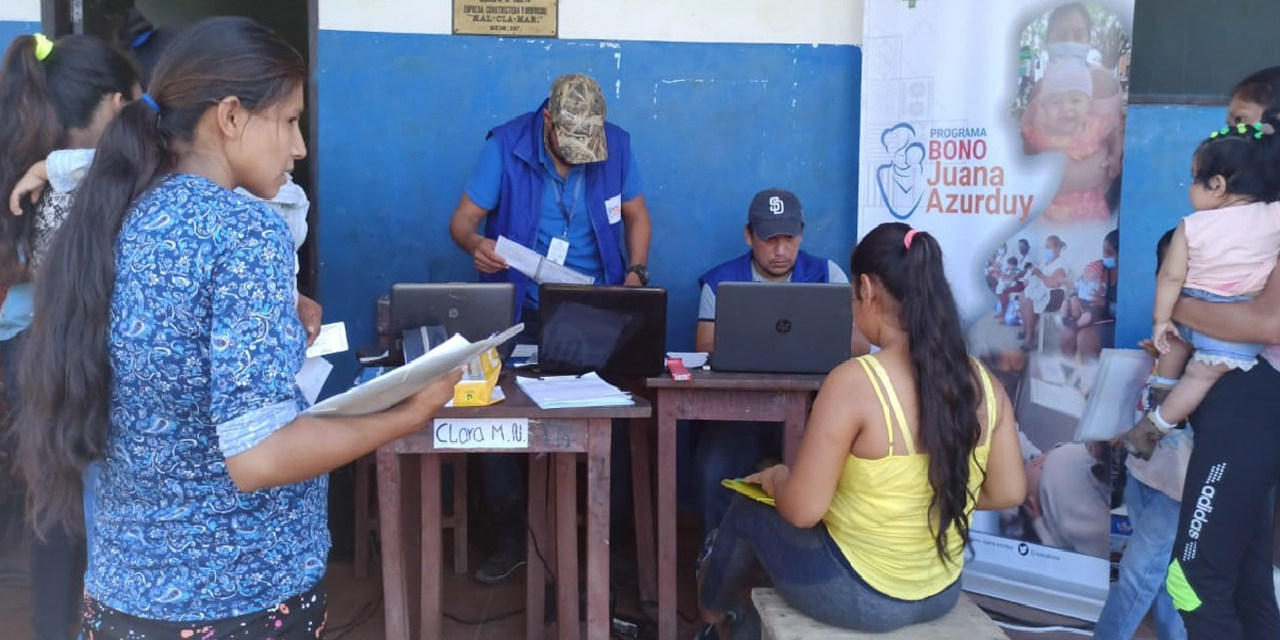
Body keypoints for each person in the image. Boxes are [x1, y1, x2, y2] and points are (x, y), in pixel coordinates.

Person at [11, 18, 461, 639]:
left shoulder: (115, 210)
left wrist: (276, 306)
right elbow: (258, 457)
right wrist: (407, 415)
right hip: (238, 601)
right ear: (229, 116)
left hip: (124, 595)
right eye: (289, 120)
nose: (299, 146)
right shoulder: (245, 229)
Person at [693, 223, 1025, 638]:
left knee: (747, 510)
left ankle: (708, 616)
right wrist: (928, 492)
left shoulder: (856, 381)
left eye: (851, 295)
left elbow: (802, 510)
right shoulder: (983, 383)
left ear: (866, 288)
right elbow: (1010, 491)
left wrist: (778, 478)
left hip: (860, 596)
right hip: (941, 589)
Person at [448, 73, 652, 584]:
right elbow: (463, 221)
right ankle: (509, 539)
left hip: (593, 301)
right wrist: (475, 245)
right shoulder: (505, 146)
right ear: (548, 123)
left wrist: (636, 273)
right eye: (571, 143)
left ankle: (613, 541)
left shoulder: (617, 146)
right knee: (494, 408)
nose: (583, 154)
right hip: (519, 303)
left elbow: (637, 217)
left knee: (617, 407)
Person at [0, 31, 138, 640]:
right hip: (68, 351)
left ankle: (60, 626)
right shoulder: (93, 183)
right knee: (84, 497)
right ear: (114, 104)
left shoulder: (34, 166)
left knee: (57, 499)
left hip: (30, 351)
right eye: (136, 105)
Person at [1161, 69, 1280, 640]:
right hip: (1241, 402)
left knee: (1193, 578)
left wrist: (1176, 302)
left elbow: (1268, 321)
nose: (1228, 133)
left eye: (1241, 122)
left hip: (1253, 401)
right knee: (1251, 577)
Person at [690, 188, 863, 537]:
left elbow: (859, 346)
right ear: (748, 236)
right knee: (713, 468)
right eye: (770, 240)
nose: (781, 250)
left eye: (789, 238)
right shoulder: (720, 281)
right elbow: (705, 346)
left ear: (801, 234)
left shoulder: (828, 276)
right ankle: (716, 559)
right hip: (740, 415)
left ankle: (815, 563)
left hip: (818, 414)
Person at [1119, 123, 1280, 460]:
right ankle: (1155, 428)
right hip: (1234, 320)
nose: (1190, 187)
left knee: (1174, 345)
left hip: (1192, 304)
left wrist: (1162, 320)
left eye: (1194, 179)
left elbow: (1171, 276)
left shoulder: (1191, 225)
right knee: (1200, 377)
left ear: (1217, 185)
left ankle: (1160, 399)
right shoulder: (1273, 216)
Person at [1095, 228, 1189, 640]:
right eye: (1167, 267)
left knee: (1137, 575)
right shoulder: (1167, 330)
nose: (1173, 276)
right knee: (1164, 576)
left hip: (1180, 482)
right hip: (1146, 470)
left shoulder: (1220, 336)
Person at [1060, 229, 1119, 359]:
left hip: (1116, 322)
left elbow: (1130, 312)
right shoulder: (1097, 268)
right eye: (1104, 251)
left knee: (1085, 338)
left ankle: (1090, 378)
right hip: (1094, 315)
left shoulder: (1130, 276)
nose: (1105, 256)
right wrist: (1074, 297)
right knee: (1067, 335)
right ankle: (1070, 373)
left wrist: (1106, 304)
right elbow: (1081, 286)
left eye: (1110, 253)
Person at [1018, 235, 1070, 350]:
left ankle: (1029, 338)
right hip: (1042, 291)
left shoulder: (1061, 265)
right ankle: (1025, 327)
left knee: (1030, 299)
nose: (1047, 250)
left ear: (1058, 248)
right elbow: (1039, 274)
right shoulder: (1045, 261)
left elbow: (1053, 284)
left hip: (1053, 296)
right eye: (1045, 247)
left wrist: (1039, 274)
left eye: (1049, 247)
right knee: (1022, 295)